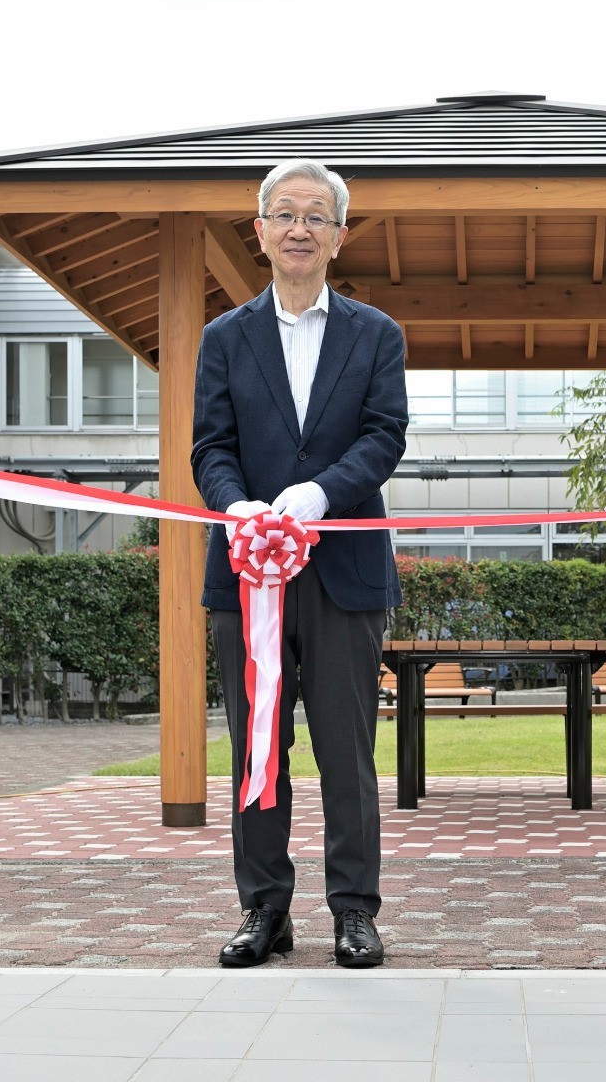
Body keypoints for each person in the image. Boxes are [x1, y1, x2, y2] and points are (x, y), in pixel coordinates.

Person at [191, 158, 408, 969]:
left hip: (344, 568)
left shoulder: (376, 334)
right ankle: (263, 910)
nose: (299, 229)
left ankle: (354, 910)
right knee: (257, 744)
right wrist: (238, 504)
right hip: (246, 576)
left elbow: (384, 436)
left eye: (317, 216)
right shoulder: (224, 338)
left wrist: (320, 497)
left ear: (340, 236)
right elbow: (210, 445)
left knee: (346, 750)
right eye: (284, 214)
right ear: (260, 230)